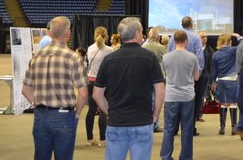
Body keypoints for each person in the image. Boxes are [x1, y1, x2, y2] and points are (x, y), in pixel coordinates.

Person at [93, 17, 165, 160]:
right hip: (142, 122)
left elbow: (97, 94)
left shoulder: (108, 59)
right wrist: (155, 115)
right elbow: (160, 90)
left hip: (116, 122)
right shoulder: (149, 58)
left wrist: (110, 112)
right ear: (137, 34)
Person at [21, 16, 88, 160]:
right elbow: (83, 93)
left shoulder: (36, 57)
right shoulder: (73, 58)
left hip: (40, 116)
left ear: (50, 33)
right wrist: (77, 114)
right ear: (68, 33)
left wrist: (37, 103)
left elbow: (25, 90)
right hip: (64, 116)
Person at [160, 30, 200, 160]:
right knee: (187, 130)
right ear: (186, 41)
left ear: (174, 41)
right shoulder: (192, 57)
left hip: (171, 97)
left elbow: (164, 75)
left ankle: (166, 156)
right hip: (187, 97)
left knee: (169, 129)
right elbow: (196, 77)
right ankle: (186, 157)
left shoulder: (166, 57)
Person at [85, 26, 114, 148]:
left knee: (91, 110)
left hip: (91, 82)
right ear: (106, 36)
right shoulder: (110, 50)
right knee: (103, 111)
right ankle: (103, 140)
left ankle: (90, 139)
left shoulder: (90, 48)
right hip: (104, 84)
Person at [212, 33, 239, 135]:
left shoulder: (216, 54)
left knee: (223, 104)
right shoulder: (232, 50)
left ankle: (222, 128)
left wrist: (214, 82)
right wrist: (238, 36)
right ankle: (233, 128)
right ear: (228, 41)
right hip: (232, 80)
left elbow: (213, 71)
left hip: (221, 80)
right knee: (232, 103)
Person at [142, 27, 167, 132]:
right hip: (158, 78)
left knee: (146, 102)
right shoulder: (161, 48)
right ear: (157, 36)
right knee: (157, 101)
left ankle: (146, 123)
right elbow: (165, 63)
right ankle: (154, 124)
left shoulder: (142, 46)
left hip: (144, 78)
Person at [195, 31, 214, 126]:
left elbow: (211, 64)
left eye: (206, 37)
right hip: (195, 76)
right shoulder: (194, 49)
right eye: (202, 37)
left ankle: (199, 114)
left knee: (201, 96)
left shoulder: (209, 50)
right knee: (194, 95)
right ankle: (193, 115)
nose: (205, 38)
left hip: (205, 76)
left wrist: (210, 76)